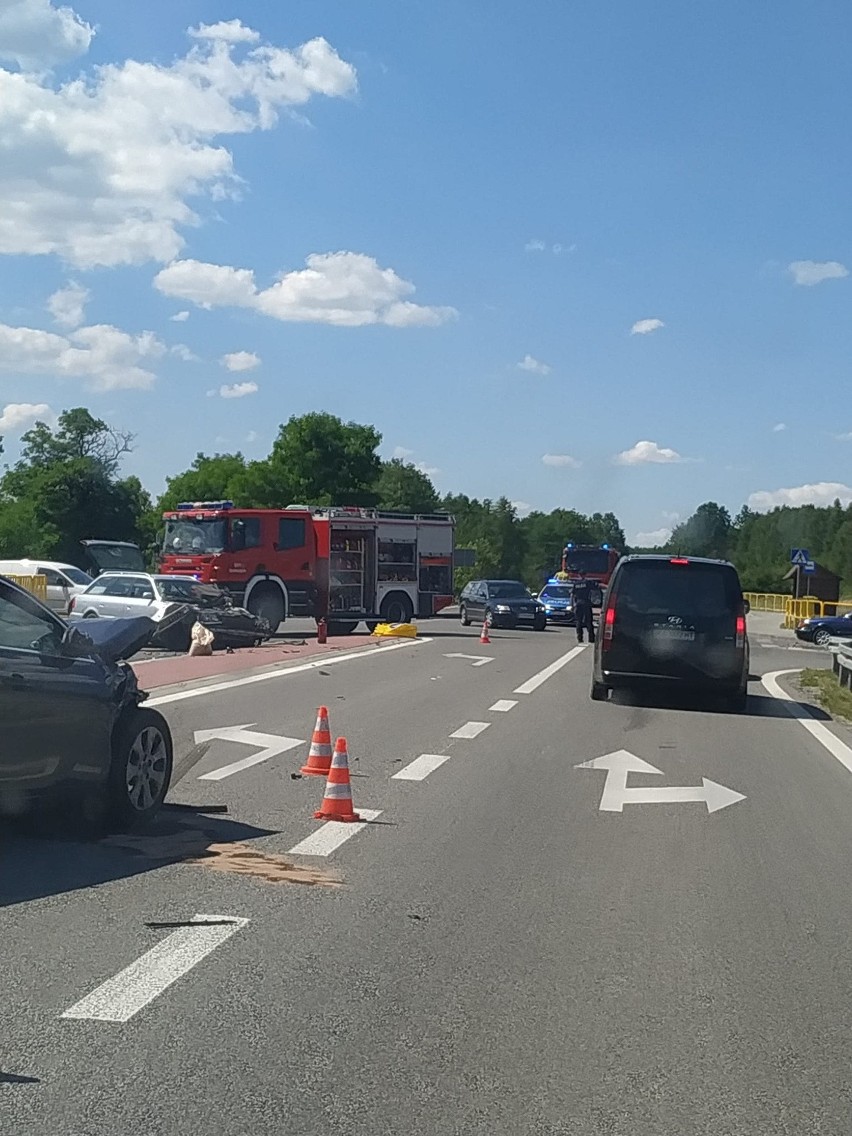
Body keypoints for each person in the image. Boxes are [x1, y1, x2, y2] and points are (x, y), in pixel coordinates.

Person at [572, 571, 595, 644]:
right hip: (586, 603)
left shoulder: (576, 584)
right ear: (585, 574)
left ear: (579, 575)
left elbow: (572, 595)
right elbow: (596, 587)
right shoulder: (587, 582)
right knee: (589, 621)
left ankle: (580, 638)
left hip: (578, 603)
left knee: (579, 621)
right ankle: (591, 638)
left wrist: (573, 605)